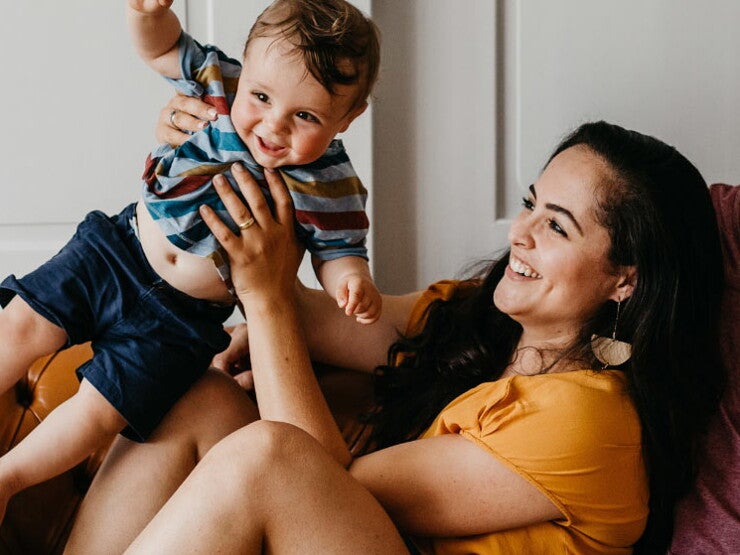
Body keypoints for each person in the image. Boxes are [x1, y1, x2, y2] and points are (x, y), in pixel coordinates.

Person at [64, 119, 726, 554]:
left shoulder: (591, 417)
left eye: (556, 226)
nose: (518, 232)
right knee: (202, 394)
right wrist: (208, 166)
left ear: (626, 281)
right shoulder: (489, 318)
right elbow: (326, 314)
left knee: (269, 454)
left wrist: (265, 307)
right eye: (530, 202)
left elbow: (322, 475)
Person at [0, 0, 380, 523]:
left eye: (306, 116)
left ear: (349, 116)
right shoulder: (219, 85)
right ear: (242, 70)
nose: (273, 125)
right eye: (262, 96)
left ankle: (7, 481)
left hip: (181, 320)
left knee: (98, 410)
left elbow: (339, 250)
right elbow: (161, 47)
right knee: (18, 327)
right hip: (117, 250)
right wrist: (146, 12)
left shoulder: (332, 183)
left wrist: (352, 282)